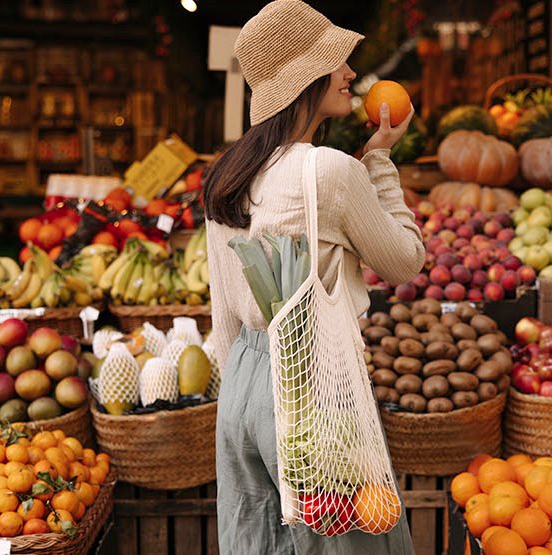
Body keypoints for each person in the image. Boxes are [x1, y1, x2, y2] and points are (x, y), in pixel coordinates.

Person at [202, 1, 425, 553]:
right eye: (337, 62)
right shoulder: (331, 171)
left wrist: (242, 397)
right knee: (344, 544)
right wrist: (379, 162)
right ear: (306, 80)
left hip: (243, 383)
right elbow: (404, 260)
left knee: (258, 540)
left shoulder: (228, 174)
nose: (350, 73)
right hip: (310, 380)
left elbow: (223, 307)